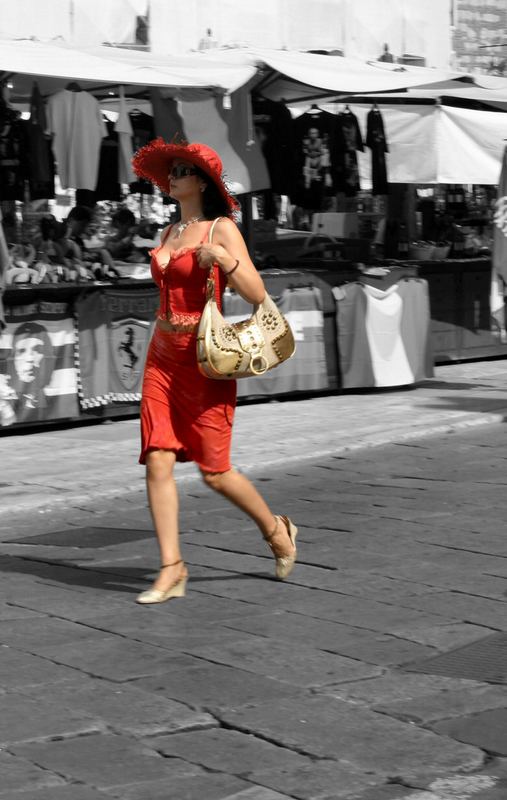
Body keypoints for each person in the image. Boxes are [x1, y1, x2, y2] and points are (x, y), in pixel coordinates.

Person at [131, 138, 298, 604]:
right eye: (173, 170)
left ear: (202, 182)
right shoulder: (168, 233)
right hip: (160, 357)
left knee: (215, 471)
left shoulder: (220, 229)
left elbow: (256, 291)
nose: (174, 176)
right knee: (157, 457)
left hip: (204, 361)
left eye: (183, 170)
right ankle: (172, 567)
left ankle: (275, 529)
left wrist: (224, 261)